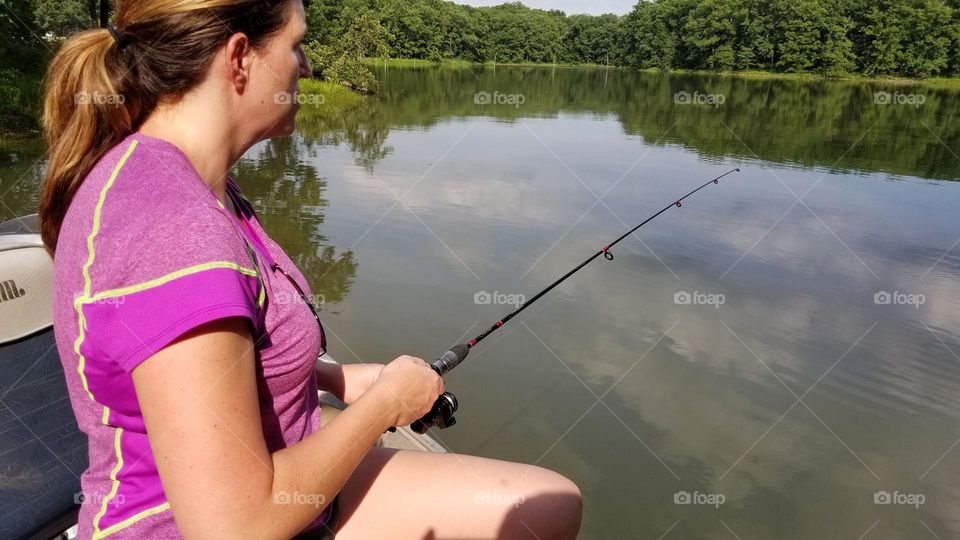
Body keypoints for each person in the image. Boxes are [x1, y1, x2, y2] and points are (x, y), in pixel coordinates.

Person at [39, 1, 582, 538]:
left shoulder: (190, 182)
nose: (306, 67)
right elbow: (235, 528)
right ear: (239, 58)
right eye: (297, 45)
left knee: (547, 506)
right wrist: (385, 403)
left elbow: (225, 362)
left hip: (278, 477)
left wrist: (336, 378)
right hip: (190, 523)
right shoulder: (176, 231)